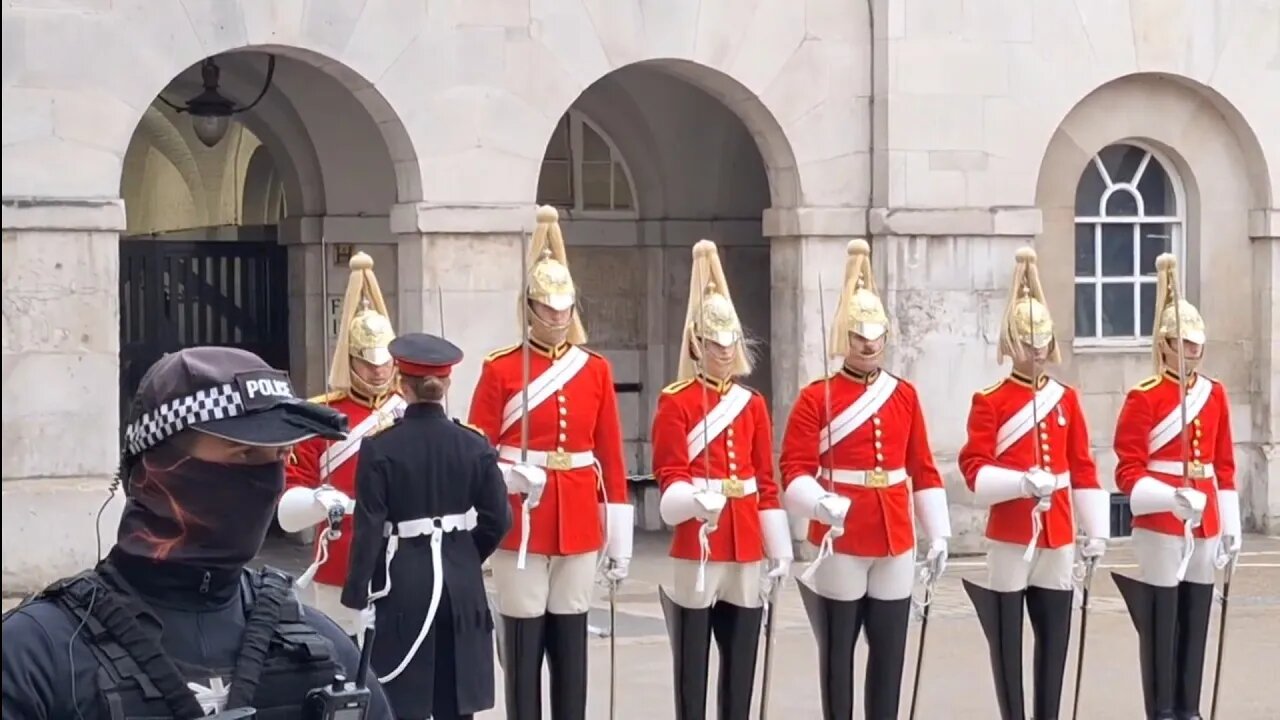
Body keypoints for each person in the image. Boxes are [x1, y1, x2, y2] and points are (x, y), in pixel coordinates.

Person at [1, 346, 394, 719]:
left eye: (278, 457)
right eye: (244, 454)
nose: (270, 481)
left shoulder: (321, 646)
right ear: (156, 467)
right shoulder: (36, 655)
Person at [467, 205, 632, 720]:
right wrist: (506, 475)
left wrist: (618, 533)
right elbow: (478, 451)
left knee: (571, 638)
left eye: (564, 308)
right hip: (523, 519)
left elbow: (610, 452)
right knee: (522, 637)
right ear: (531, 308)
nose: (558, 317)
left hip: (579, 514)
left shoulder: (594, 369)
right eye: (548, 308)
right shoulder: (500, 368)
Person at [779, 238, 951, 720]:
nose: (869, 343)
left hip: (895, 532)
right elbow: (793, 470)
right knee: (838, 656)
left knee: (890, 653)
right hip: (842, 533)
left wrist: (937, 532)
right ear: (844, 337)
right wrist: (818, 504)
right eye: (859, 335)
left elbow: (921, 468)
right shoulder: (818, 398)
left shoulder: (904, 395)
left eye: (876, 334)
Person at [957, 247, 1109, 720]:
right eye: (1028, 342)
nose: (1038, 351)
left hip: (1058, 530)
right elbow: (975, 470)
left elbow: (1082, 468)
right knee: (1007, 639)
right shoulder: (991, 401)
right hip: (1011, 531)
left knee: (1054, 637)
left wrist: (1096, 528)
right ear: (1011, 344)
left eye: (1043, 341)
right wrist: (1022, 484)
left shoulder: (1066, 399)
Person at [651, 239, 792, 720]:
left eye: (731, 341)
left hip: (746, 539)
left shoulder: (751, 404)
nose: (725, 351)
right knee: (693, 663)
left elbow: (764, 480)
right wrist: (694, 500)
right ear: (696, 343)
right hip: (700, 540)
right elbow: (669, 474)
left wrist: (780, 546)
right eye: (715, 343)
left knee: (742, 659)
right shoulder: (677, 401)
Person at [341, 333, 513, 720]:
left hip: (404, 581)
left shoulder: (381, 447)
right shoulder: (473, 444)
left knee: (405, 700)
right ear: (447, 384)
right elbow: (499, 518)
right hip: (461, 580)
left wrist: (356, 595)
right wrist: (466, 553)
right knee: (456, 703)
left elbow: (369, 527)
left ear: (402, 384)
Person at [1111, 253, 1240, 720]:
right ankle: (1161, 708)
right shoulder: (1144, 396)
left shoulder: (1215, 393)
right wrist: (1168, 496)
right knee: (1163, 619)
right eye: (1184, 344)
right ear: (1164, 345)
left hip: (1204, 519)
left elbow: (1223, 464)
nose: (1193, 352)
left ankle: (1189, 706)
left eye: (1197, 345)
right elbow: (1127, 470)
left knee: (1197, 615)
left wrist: (1230, 521)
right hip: (1163, 519)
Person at [286, 251, 407, 641]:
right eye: (368, 362)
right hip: (342, 549)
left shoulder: (409, 409)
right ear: (351, 360)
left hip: (400, 549)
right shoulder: (320, 415)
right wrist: (319, 500)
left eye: (385, 362)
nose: (378, 370)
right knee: (342, 656)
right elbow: (292, 487)